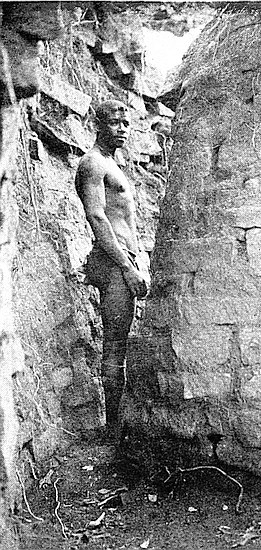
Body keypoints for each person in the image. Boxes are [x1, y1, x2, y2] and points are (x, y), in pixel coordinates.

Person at [75, 99, 148, 440]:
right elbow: (96, 216)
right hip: (113, 262)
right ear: (98, 124)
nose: (122, 129)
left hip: (124, 261)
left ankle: (116, 426)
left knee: (120, 345)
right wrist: (126, 266)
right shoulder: (92, 163)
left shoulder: (111, 164)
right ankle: (113, 431)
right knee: (115, 347)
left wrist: (137, 261)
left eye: (126, 123)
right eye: (114, 122)